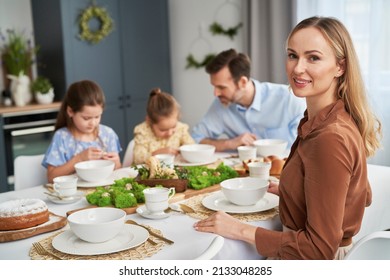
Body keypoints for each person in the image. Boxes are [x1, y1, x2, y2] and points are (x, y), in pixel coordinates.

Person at [194, 16, 382, 260]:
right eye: (293, 55)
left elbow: (318, 250)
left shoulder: (329, 137)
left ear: (340, 67)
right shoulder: (329, 118)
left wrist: (239, 229)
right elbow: (360, 194)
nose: (297, 68)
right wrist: (296, 191)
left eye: (313, 57)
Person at [191, 48, 306, 152]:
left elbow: (306, 147)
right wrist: (229, 143)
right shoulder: (221, 104)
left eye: (221, 87)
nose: (215, 93)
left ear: (242, 82)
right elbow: (195, 139)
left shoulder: (289, 99)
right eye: (214, 86)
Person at [42, 80, 122, 183]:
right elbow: (51, 177)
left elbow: (118, 173)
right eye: (86, 118)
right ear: (70, 111)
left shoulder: (107, 134)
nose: (93, 123)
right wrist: (79, 158)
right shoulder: (62, 137)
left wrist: (117, 163)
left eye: (97, 117)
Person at [132, 88, 195, 164]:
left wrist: (185, 151)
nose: (169, 133)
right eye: (163, 130)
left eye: (173, 127)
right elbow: (138, 159)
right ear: (149, 121)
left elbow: (192, 147)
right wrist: (156, 154)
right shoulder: (143, 131)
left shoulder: (180, 128)